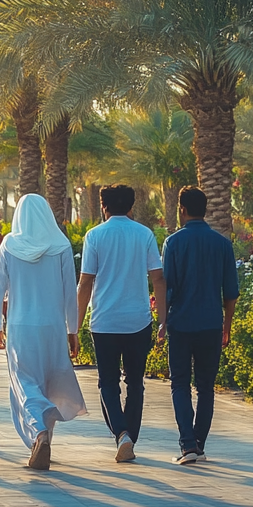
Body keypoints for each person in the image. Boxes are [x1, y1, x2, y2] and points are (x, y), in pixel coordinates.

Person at [0, 193, 87, 471]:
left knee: (24, 382)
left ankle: (39, 430)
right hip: (54, 327)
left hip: (21, 326)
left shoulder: (10, 244)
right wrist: (73, 329)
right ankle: (42, 438)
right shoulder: (61, 245)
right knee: (48, 382)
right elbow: (71, 292)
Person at [75, 185, 166, 463]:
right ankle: (129, 436)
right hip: (138, 321)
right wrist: (163, 319)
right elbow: (158, 278)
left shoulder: (95, 236)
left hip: (105, 322)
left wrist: (75, 326)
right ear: (131, 207)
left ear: (103, 207)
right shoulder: (144, 234)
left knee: (108, 383)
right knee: (135, 382)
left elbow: (86, 282)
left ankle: (122, 434)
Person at [160, 186, 239, 465]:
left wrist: (161, 322)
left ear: (182, 210)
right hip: (211, 325)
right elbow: (230, 293)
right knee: (206, 387)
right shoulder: (222, 245)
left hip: (181, 325)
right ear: (204, 209)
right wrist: (226, 326)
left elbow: (166, 288)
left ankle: (188, 445)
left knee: (179, 384)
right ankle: (199, 445)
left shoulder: (173, 243)